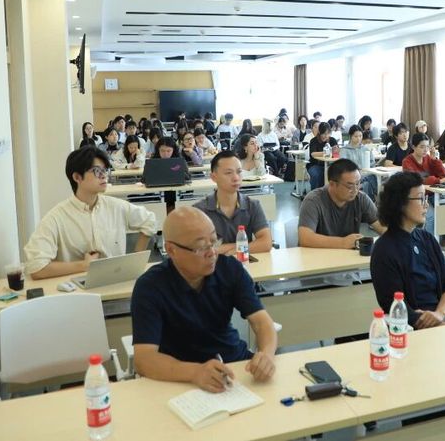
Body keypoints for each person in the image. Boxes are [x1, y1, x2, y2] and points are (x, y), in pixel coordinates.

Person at [131, 207, 277, 393]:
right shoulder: (150, 286)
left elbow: (262, 322)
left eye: (214, 242)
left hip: (234, 366)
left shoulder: (230, 269)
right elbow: (144, 359)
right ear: (171, 250)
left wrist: (267, 354)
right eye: (201, 247)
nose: (212, 253)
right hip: (178, 377)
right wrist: (195, 372)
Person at [24, 146, 156, 280]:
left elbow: (149, 221)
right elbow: (36, 267)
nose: (104, 176)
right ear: (77, 177)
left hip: (116, 283)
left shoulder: (116, 206)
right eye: (96, 171)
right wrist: (84, 265)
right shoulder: (56, 218)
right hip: (76, 288)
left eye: (105, 170)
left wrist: (135, 260)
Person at [371, 172, 445, 329]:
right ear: (400, 203)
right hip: (415, 328)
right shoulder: (384, 250)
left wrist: (440, 313)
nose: (426, 205)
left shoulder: (427, 239)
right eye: (420, 199)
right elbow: (397, 309)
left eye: (426, 198)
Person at [194, 151, 272, 255]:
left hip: (243, 263)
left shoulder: (252, 205)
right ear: (213, 177)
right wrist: (244, 246)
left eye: (239, 172)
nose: (236, 178)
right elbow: (199, 250)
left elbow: (266, 243)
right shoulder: (199, 211)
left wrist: (232, 250)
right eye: (228, 173)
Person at [298, 158, 386, 248]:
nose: (355, 190)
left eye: (358, 183)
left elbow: (382, 227)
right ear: (332, 184)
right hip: (317, 255)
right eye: (349, 186)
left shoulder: (360, 198)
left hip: (347, 255)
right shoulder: (313, 201)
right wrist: (343, 242)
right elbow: (305, 238)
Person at [402, 133, 445, 255]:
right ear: (413, 147)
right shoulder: (407, 161)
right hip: (416, 197)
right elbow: (415, 180)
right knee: (430, 216)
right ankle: (429, 247)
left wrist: (434, 159)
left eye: (427, 147)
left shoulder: (428, 159)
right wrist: (437, 180)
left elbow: (443, 174)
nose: (425, 150)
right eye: (422, 147)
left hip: (433, 193)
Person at [339, 124, 377, 200]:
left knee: (373, 178)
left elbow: (372, 163)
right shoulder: (345, 150)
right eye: (356, 136)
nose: (358, 138)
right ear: (350, 136)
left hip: (366, 174)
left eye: (360, 136)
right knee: (368, 183)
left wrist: (368, 170)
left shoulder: (365, 149)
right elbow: (343, 166)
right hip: (352, 175)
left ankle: (368, 199)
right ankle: (371, 200)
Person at [307, 121, 336, 190]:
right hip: (315, 165)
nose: (326, 136)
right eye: (324, 133)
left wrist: (335, 151)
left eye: (328, 133)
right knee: (316, 174)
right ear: (319, 132)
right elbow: (313, 154)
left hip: (330, 165)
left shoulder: (332, 140)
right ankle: (315, 193)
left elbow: (336, 154)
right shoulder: (314, 141)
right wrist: (328, 152)